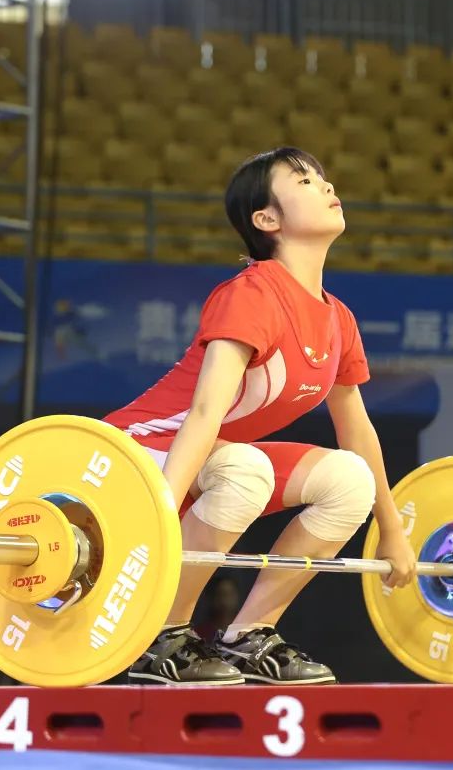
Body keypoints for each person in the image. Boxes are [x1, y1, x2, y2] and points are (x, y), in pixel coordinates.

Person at [103, 147, 416, 686]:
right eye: (303, 179)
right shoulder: (252, 293)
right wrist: (158, 509)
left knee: (349, 482)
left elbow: (356, 432)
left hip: (214, 462)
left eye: (322, 176)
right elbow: (205, 411)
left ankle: (248, 635)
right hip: (139, 450)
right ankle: (161, 635)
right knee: (245, 469)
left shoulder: (337, 318)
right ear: (267, 220)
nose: (324, 184)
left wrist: (392, 531)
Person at [194, 575, 241, 642]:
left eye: (230, 595)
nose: (225, 600)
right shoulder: (199, 633)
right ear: (212, 598)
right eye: (221, 594)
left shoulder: (246, 630)